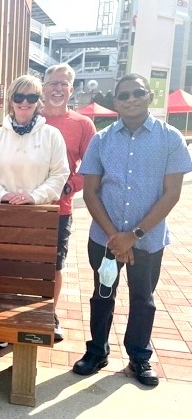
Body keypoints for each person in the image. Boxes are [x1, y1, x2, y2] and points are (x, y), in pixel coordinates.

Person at [72, 73, 192, 387]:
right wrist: (115, 237)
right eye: (124, 95)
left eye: (137, 92)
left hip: (148, 240)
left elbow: (172, 193)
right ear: (116, 102)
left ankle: (139, 357)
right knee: (102, 294)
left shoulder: (170, 138)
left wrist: (133, 236)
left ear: (149, 96)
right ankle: (97, 351)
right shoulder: (102, 139)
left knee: (143, 298)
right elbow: (90, 193)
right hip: (104, 238)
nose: (131, 99)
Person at [0, 74, 70, 350]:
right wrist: (3, 195)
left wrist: (33, 197)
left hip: (40, 216)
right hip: (5, 215)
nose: (24, 103)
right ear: (11, 101)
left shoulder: (52, 135)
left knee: (39, 271)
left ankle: (37, 319)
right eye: (19, 97)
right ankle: (4, 326)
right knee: (6, 269)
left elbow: (59, 174)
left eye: (31, 97)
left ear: (39, 102)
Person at [41, 63, 96, 342]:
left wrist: (70, 185)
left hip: (59, 208)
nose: (58, 89)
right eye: (53, 83)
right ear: (44, 86)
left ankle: (50, 313)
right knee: (20, 263)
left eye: (64, 84)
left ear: (71, 90)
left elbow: (94, 166)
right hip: (26, 207)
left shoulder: (83, 124)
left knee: (54, 265)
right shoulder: (29, 117)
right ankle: (16, 314)